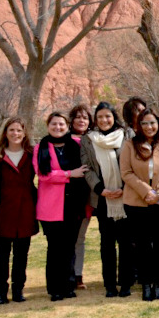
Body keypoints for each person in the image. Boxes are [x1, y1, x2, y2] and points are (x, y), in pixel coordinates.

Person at [121, 109, 159, 302]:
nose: (149, 127)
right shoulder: (130, 145)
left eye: (152, 122)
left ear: (158, 124)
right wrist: (147, 191)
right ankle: (146, 285)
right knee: (143, 245)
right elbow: (126, 172)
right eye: (144, 123)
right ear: (138, 125)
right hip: (137, 203)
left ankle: (157, 285)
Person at [81, 103, 133, 298]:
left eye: (108, 116)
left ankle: (126, 283)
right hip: (102, 199)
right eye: (100, 117)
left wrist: (124, 188)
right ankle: (110, 285)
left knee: (126, 243)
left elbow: (134, 163)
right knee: (107, 244)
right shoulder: (88, 139)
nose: (104, 120)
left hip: (125, 195)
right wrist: (102, 190)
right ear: (95, 119)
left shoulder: (127, 135)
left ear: (114, 117)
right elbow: (87, 168)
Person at [36, 112, 89, 302]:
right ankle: (55, 288)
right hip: (50, 207)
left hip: (73, 204)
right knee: (55, 248)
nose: (57, 127)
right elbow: (44, 175)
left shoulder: (77, 144)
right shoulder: (40, 147)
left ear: (67, 126)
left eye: (61, 124)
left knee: (69, 247)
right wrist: (69, 174)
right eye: (53, 124)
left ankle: (69, 284)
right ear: (48, 125)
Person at [0, 117, 37, 304]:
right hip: (3, 210)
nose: (15, 134)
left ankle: (18, 289)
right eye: (11, 130)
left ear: (24, 133)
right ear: (5, 132)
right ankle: (1, 291)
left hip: (26, 210)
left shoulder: (31, 154)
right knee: (1, 254)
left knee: (21, 254)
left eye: (19, 130)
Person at [68, 104, 94, 289]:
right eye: (77, 117)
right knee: (68, 237)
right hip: (69, 196)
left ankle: (77, 274)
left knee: (80, 238)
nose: (81, 120)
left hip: (90, 194)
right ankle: (67, 274)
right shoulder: (63, 141)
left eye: (85, 117)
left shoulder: (93, 140)